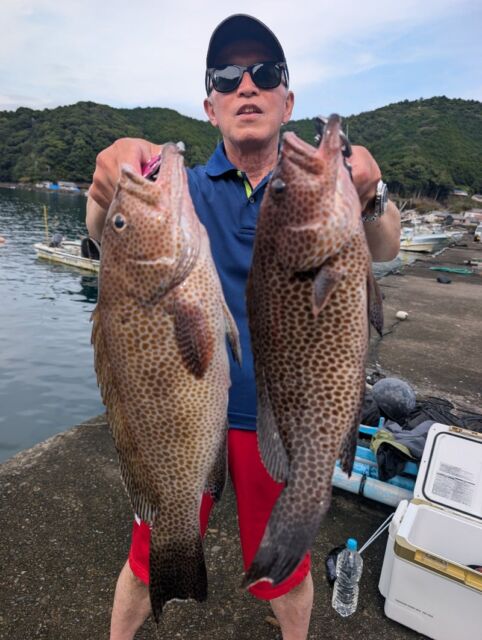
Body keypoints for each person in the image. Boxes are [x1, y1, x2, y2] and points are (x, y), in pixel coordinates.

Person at [86, 14, 401, 640]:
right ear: (211, 107)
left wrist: (371, 195)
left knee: (283, 572)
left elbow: (386, 245)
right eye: (228, 76)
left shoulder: (314, 186)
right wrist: (106, 196)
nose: (247, 85)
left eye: (265, 72)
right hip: (186, 410)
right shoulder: (182, 187)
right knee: (147, 563)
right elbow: (108, 239)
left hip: (280, 413)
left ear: (288, 100)